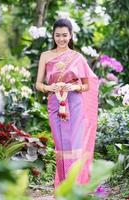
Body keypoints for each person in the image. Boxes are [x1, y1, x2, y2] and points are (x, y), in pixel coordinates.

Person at [35, 18, 99, 188]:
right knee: (61, 146)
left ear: (70, 36)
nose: (61, 39)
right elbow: (38, 84)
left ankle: (76, 188)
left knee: (75, 146)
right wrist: (50, 87)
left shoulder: (77, 57)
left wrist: (72, 86)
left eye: (65, 35)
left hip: (75, 103)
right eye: (57, 35)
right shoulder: (46, 56)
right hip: (55, 104)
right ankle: (63, 188)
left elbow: (87, 85)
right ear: (53, 36)